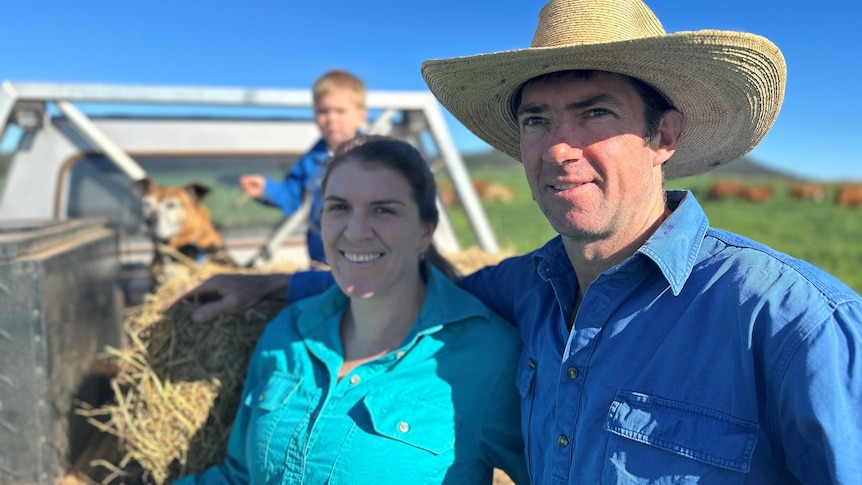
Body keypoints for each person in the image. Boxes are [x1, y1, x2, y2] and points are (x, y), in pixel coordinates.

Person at [186, 0, 862, 482]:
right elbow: (401, 282)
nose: (559, 147)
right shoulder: (524, 287)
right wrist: (270, 285)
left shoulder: (791, 321)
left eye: (595, 112)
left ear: (665, 136)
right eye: (537, 120)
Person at [175, 136, 527, 484]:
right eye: (339, 207)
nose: (355, 232)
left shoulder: (491, 359)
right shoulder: (288, 332)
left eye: (383, 209)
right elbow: (240, 476)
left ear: (425, 231)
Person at [239, 69, 367, 264]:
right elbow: (293, 199)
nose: (331, 118)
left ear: (360, 115)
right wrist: (266, 189)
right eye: (323, 111)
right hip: (322, 259)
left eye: (340, 111)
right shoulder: (309, 160)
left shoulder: (376, 157)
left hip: (365, 257)